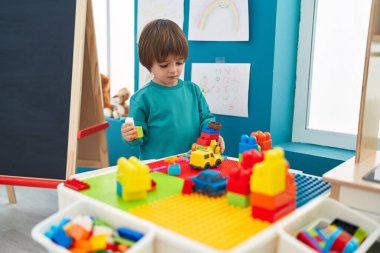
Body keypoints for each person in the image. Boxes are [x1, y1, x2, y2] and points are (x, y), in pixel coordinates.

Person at [121, 19, 225, 160]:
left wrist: (213, 135)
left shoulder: (193, 90)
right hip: (157, 168)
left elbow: (206, 119)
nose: (174, 70)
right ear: (148, 64)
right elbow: (138, 139)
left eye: (179, 62)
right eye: (164, 65)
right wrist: (130, 135)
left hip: (192, 162)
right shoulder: (141, 98)